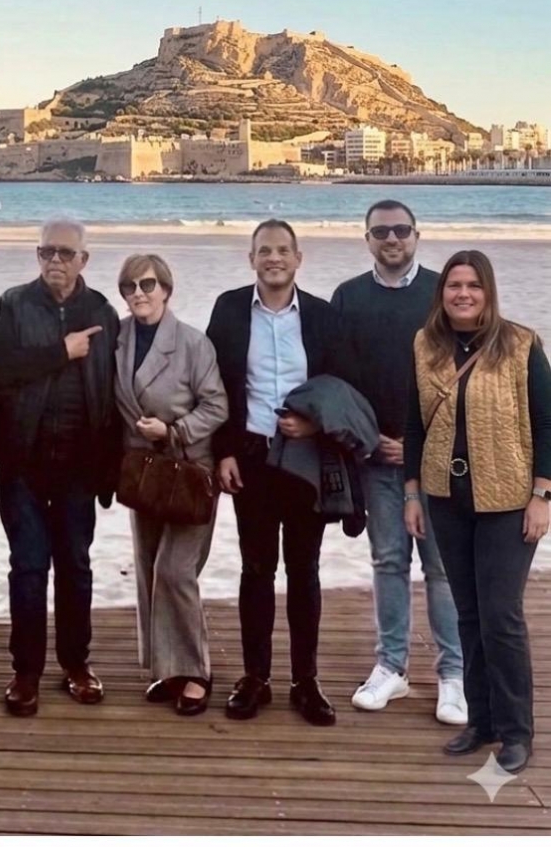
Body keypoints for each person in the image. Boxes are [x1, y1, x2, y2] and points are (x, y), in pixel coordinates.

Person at [403, 250, 551, 774]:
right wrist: (412, 494)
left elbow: (547, 423)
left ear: (488, 291)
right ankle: (481, 721)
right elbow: (415, 423)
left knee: (501, 616)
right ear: (441, 293)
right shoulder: (425, 345)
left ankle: (516, 731)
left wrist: (543, 496)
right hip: (446, 498)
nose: (463, 294)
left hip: (509, 500)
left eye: (473, 285)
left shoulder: (520, 343)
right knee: (468, 613)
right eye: (454, 285)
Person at [206, 219, 347, 727]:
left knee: (304, 570)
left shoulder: (322, 315)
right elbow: (215, 385)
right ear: (251, 259)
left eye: (283, 250)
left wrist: (315, 423)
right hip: (252, 458)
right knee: (256, 569)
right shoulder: (228, 309)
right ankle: (256, 678)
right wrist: (223, 452)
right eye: (264, 250)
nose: (274, 258)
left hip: (306, 460)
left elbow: (341, 384)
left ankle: (305, 681)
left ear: (298, 258)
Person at [331, 200, 465, 724]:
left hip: (436, 458)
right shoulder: (348, 296)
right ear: (367, 239)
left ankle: (453, 676)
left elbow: (462, 379)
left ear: (416, 235)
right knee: (388, 561)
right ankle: (392, 667)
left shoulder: (441, 294)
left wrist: (417, 445)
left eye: (401, 230)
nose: (392, 239)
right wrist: (373, 441)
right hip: (376, 457)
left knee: (442, 567)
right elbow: (341, 380)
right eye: (381, 232)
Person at [0, 217, 120, 717]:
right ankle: (26, 672)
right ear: (37, 256)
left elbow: (112, 389)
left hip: (80, 463)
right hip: (22, 461)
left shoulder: (102, 311)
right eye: (48, 252)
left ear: (84, 259)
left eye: (66, 253)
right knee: (27, 566)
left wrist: (110, 469)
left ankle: (76, 664)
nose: (56, 261)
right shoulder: (14, 303)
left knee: (75, 565)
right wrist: (60, 352)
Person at [113, 254, 227, 716]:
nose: (138, 293)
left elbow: (216, 406)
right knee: (147, 567)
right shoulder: (117, 338)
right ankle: (168, 668)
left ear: (166, 289)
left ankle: (197, 671)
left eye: (147, 284)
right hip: (142, 471)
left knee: (176, 570)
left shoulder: (193, 343)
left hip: (189, 471)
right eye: (129, 287)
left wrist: (174, 430)